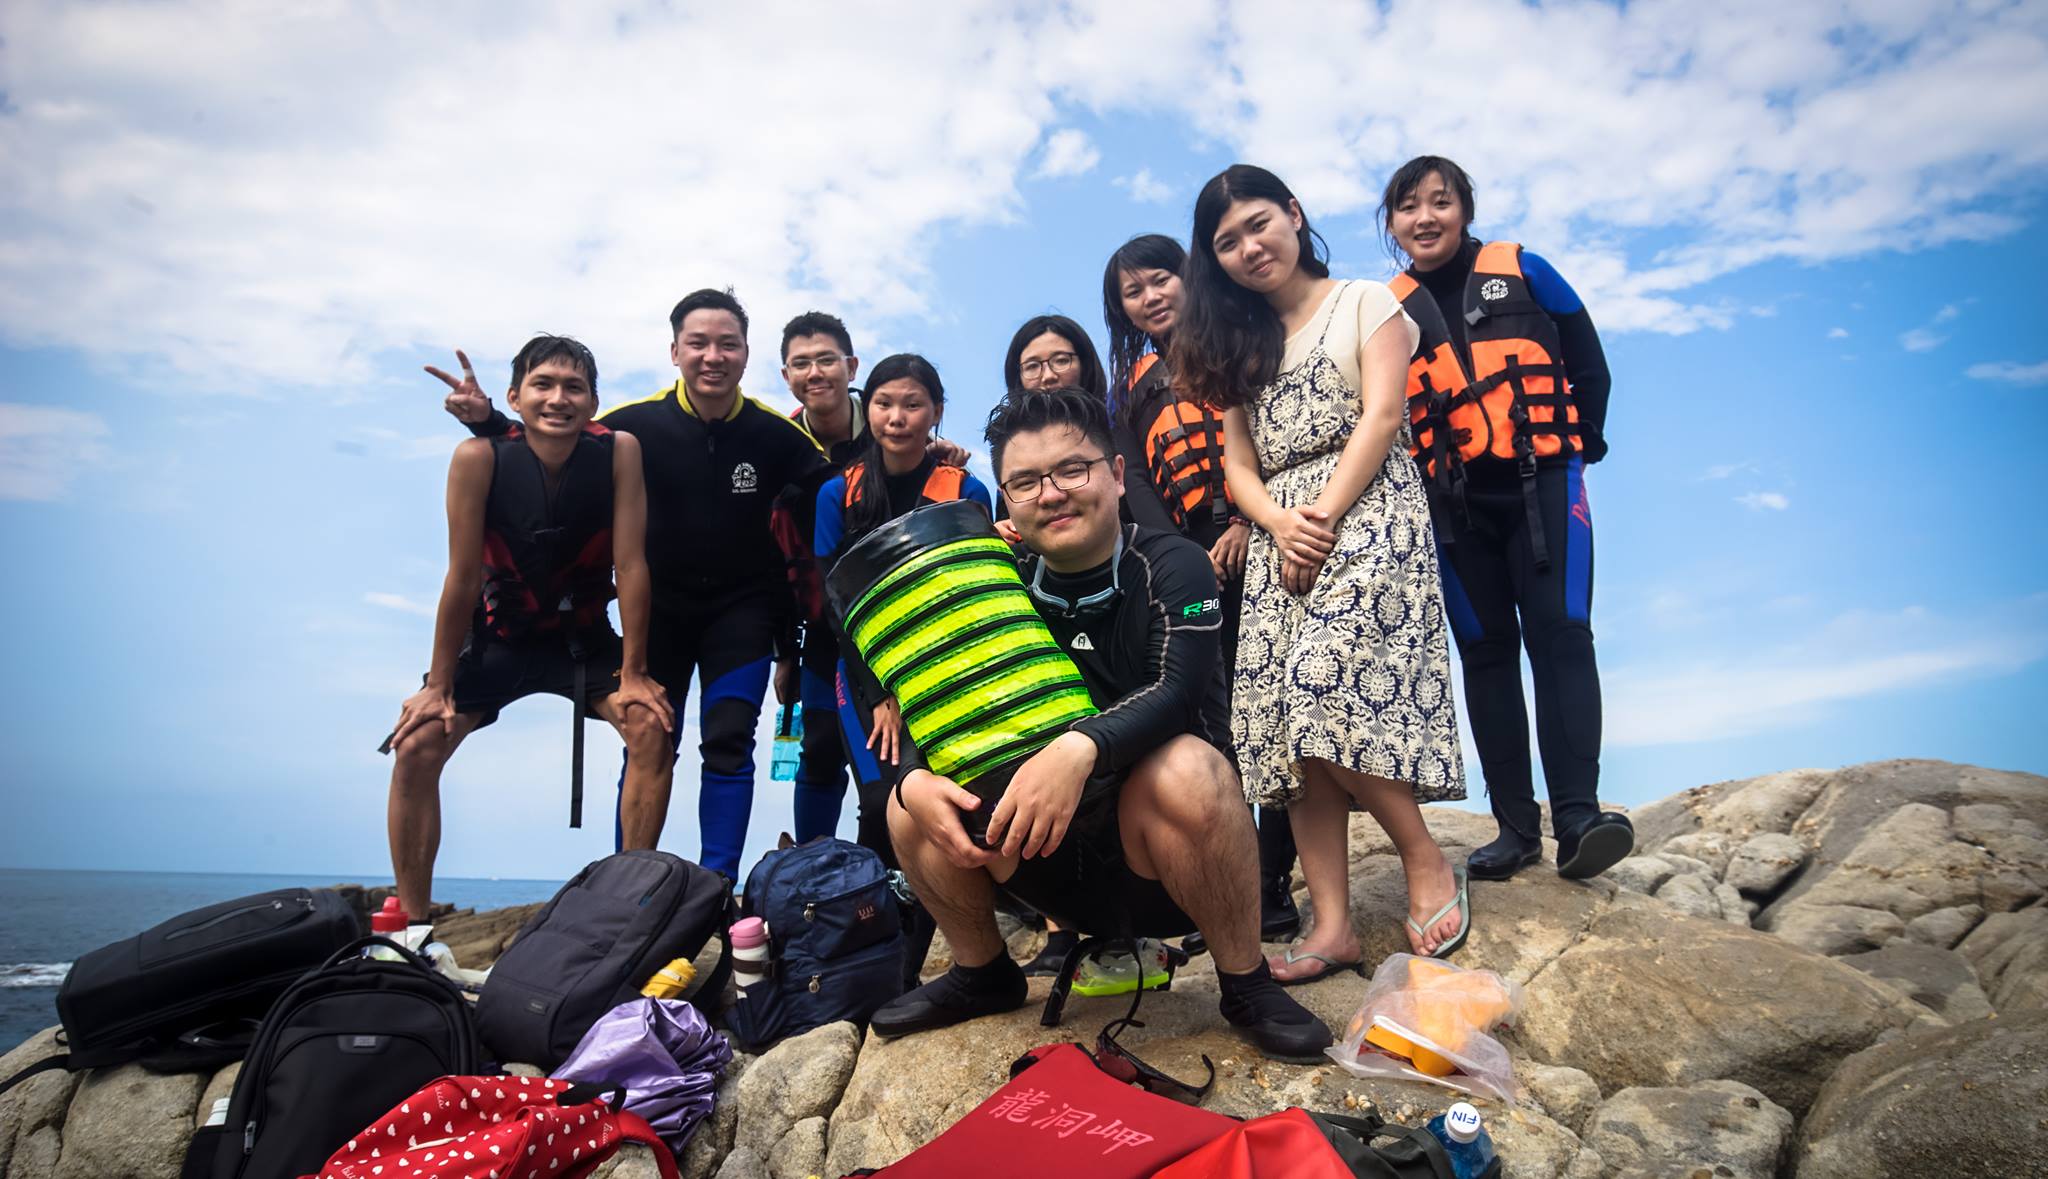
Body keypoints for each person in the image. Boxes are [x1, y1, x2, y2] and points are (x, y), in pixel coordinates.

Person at [871, 389, 1333, 1063]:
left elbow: (1177, 694)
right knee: (909, 801)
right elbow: (946, 702)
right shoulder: (1004, 580)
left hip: (1168, 870)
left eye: (1072, 469)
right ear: (1007, 501)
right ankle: (983, 972)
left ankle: (1245, 981)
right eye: (1026, 482)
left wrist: (1078, 746)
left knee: (1187, 766)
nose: (1052, 494)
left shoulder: (1171, 563)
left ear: (1116, 474)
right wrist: (913, 775)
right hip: (1044, 863)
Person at [1170, 164, 1470, 982]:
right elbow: (1237, 464)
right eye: (1226, 242)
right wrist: (1276, 522)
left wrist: (1322, 516)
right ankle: (1332, 924)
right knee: (1280, 727)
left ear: (1295, 215)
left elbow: (1382, 414)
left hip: (1366, 509)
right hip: (1281, 530)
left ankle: (1423, 857)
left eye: (1259, 224)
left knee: (1318, 686)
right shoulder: (1241, 347)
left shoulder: (1366, 300)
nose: (1248, 247)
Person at [441, 291, 830, 880]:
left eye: (728, 344)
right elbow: (551, 439)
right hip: (659, 609)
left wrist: (930, 455)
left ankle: (718, 884)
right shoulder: (633, 426)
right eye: (698, 343)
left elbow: (849, 487)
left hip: (744, 614)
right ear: (675, 351)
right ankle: (629, 884)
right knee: (651, 736)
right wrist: (488, 422)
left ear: (746, 355)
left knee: (729, 740)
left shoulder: (776, 436)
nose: (713, 356)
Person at [1380, 156, 1632, 881]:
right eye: (1408, 207)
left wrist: (1583, 441)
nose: (1425, 218)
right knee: (1486, 654)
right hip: (1453, 502)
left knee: (1562, 635)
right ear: (1392, 223)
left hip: (1543, 483)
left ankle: (1578, 818)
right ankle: (1516, 829)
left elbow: (1589, 361)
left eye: (1440, 201)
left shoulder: (1526, 270)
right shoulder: (1386, 309)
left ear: (1465, 208)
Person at [389, 337, 675, 920]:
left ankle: (628, 911)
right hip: (500, 638)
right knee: (417, 745)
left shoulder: (619, 451)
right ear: (515, 398)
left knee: (650, 726)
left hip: (582, 641)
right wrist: (438, 686)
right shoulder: (479, 458)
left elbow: (631, 565)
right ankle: (414, 926)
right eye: (542, 385)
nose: (558, 399)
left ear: (593, 403)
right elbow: (461, 577)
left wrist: (635, 673)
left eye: (574, 388)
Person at [1101, 232, 1299, 945]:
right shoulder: (1131, 389)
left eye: (1161, 279)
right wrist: (1184, 557)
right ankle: (1228, 883)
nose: (1151, 297)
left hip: (1262, 537)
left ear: (1190, 276)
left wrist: (1245, 520)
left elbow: (1270, 438)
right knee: (1215, 718)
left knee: (1272, 714)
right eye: (1133, 291)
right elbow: (1137, 482)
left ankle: (1271, 887)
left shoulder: (1241, 340)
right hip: (1192, 564)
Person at [811, 353, 993, 856]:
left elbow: (976, 593)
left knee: (960, 792)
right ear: (867, 408)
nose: (896, 418)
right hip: (866, 672)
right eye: (883, 403)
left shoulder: (966, 490)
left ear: (936, 411)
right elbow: (836, 606)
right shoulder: (836, 495)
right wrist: (880, 695)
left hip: (947, 668)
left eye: (912, 405)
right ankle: (875, 898)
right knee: (881, 801)